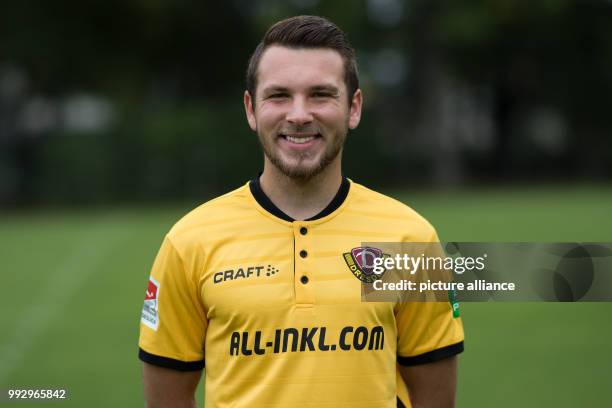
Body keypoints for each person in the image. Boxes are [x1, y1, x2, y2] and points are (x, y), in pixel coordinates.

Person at [138, 15, 464, 408]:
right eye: (278, 96)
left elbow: (435, 398)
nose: (298, 114)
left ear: (354, 107)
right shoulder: (189, 242)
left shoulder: (409, 238)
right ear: (251, 109)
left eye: (320, 95)